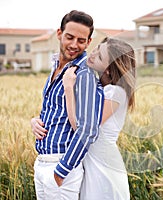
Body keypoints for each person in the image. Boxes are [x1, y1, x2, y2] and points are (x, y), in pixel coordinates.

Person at [30, 10, 104, 199]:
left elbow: (88, 129)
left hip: (61, 166)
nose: (74, 45)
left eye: (81, 40)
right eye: (69, 37)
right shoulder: (57, 68)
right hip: (42, 164)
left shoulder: (83, 74)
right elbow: (54, 109)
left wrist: (62, 171)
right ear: (59, 34)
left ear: (88, 42)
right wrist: (35, 121)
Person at [62, 37, 136, 199]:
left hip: (103, 168)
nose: (93, 54)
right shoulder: (98, 87)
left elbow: (84, 128)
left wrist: (68, 88)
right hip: (92, 163)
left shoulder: (115, 93)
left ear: (109, 69)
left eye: (100, 56)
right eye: (96, 48)